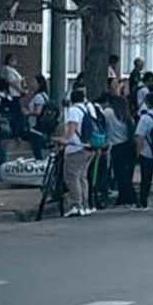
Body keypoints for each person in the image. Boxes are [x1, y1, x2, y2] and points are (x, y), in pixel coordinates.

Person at [58, 88, 95, 217]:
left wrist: (65, 140)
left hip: (76, 148)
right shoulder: (88, 108)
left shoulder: (74, 110)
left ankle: (76, 205)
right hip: (89, 147)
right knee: (82, 177)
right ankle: (85, 204)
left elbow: (72, 127)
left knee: (72, 177)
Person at [104, 84, 136, 207]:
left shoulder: (109, 113)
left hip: (117, 147)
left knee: (119, 174)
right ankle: (128, 196)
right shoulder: (128, 118)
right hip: (128, 146)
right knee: (127, 174)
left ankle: (126, 197)